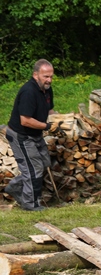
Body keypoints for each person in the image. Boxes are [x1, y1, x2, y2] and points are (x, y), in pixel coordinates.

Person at [4, 59, 56, 211]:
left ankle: (14, 186)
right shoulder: (29, 92)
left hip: (36, 134)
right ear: (35, 75)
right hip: (22, 135)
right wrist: (47, 126)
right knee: (33, 169)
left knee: (45, 163)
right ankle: (30, 204)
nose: (49, 80)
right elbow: (25, 120)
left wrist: (60, 120)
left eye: (51, 76)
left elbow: (50, 110)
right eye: (46, 76)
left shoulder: (47, 89)